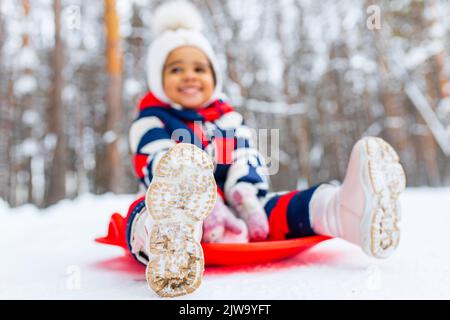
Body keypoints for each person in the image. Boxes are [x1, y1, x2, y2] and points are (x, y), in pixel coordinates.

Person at [122, 1, 406, 298]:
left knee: (276, 208)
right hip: (179, 209)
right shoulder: (152, 118)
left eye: (199, 68)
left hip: (238, 212)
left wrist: (244, 195)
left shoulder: (228, 120)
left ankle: (343, 209)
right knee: (143, 213)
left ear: (214, 77)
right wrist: (204, 204)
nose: (190, 76)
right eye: (176, 69)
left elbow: (246, 156)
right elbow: (156, 159)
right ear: (158, 78)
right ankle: (168, 244)